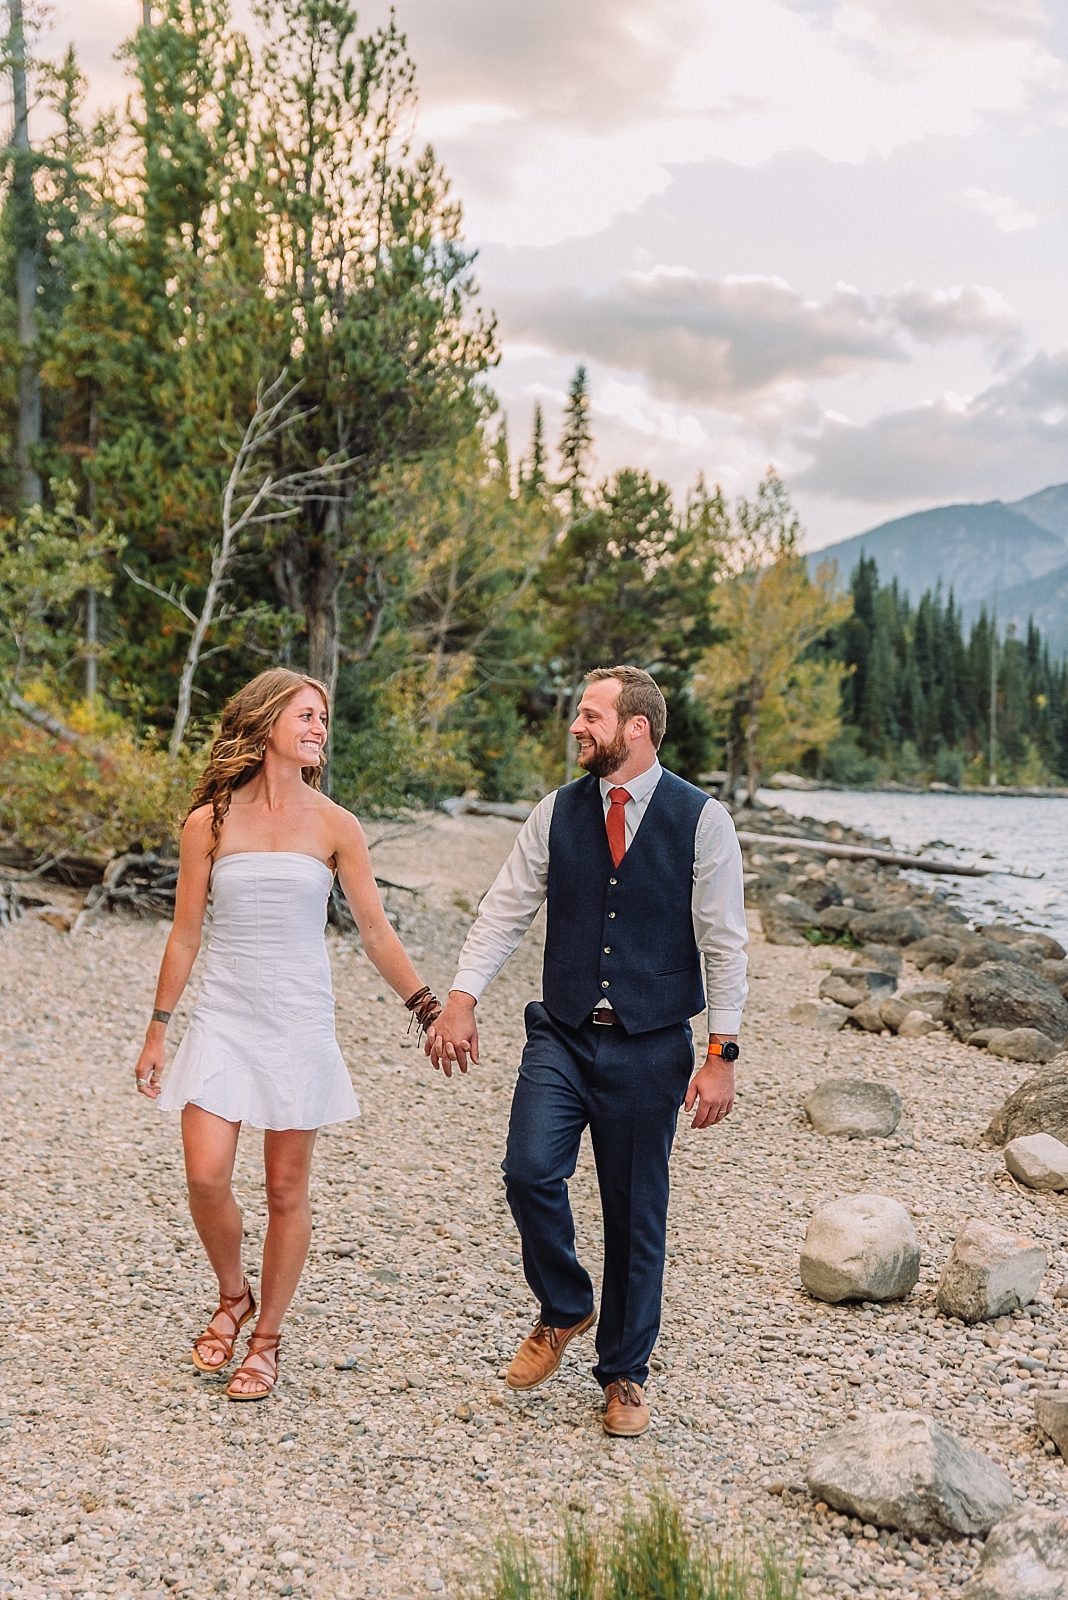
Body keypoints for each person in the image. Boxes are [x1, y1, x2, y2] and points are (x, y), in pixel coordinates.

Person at [427, 665, 748, 1436]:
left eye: (590, 714)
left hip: (651, 1046)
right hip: (563, 1034)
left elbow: (725, 942)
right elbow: (504, 911)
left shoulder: (702, 821)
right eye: (578, 713)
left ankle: (625, 1374)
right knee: (529, 1170)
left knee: (637, 1212)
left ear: (636, 727)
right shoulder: (554, 813)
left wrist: (721, 1054)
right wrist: (463, 997)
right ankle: (566, 1305)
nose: (576, 725)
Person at [133, 668, 440, 1400]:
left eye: (324, 718)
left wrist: (426, 1006)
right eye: (306, 715)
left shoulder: (336, 825)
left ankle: (265, 1338)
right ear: (268, 721)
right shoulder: (208, 820)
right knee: (206, 1176)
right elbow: (184, 936)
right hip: (222, 1017)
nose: (319, 729)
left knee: (284, 1188)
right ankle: (231, 1293)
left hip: (298, 1019)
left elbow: (373, 928)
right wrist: (157, 1031)